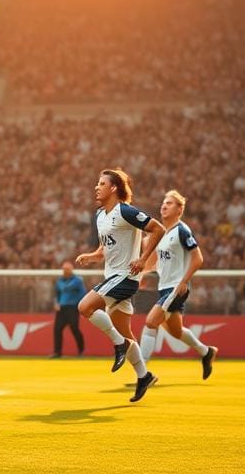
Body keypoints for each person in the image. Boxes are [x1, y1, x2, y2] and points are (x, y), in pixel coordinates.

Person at [76, 168, 165, 403]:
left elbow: (158, 229)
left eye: (101, 183)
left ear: (113, 188)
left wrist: (143, 259)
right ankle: (144, 375)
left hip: (125, 277)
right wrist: (91, 256)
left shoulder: (125, 211)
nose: (96, 187)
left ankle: (118, 345)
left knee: (84, 308)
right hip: (113, 276)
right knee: (127, 333)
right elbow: (105, 248)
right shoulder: (99, 216)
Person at [139, 190, 218, 379]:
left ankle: (142, 374)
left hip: (176, 287)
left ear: (179, 209)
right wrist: (141, 272)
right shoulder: (161, 234)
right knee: (174, 331)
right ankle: (206, 352)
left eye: (170, 203)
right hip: (165, 288)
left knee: (151, 322)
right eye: (164, 203)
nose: (164, 206)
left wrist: (183, 281)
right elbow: (155, 262)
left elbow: (198, 259)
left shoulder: (182, 230)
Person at [51, 261, 86, 358]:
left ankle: (81, 350)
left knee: (74, 328)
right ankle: (57, 352)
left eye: (67, 269)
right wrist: (56, 303)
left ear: (71, 270)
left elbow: (83, 294)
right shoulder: (59, 281)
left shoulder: (77, 280)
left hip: (73, 308)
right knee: (57, 329)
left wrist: (80, 306)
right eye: (64, 269)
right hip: (61, 308)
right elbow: (57, 294)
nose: (65, 271)